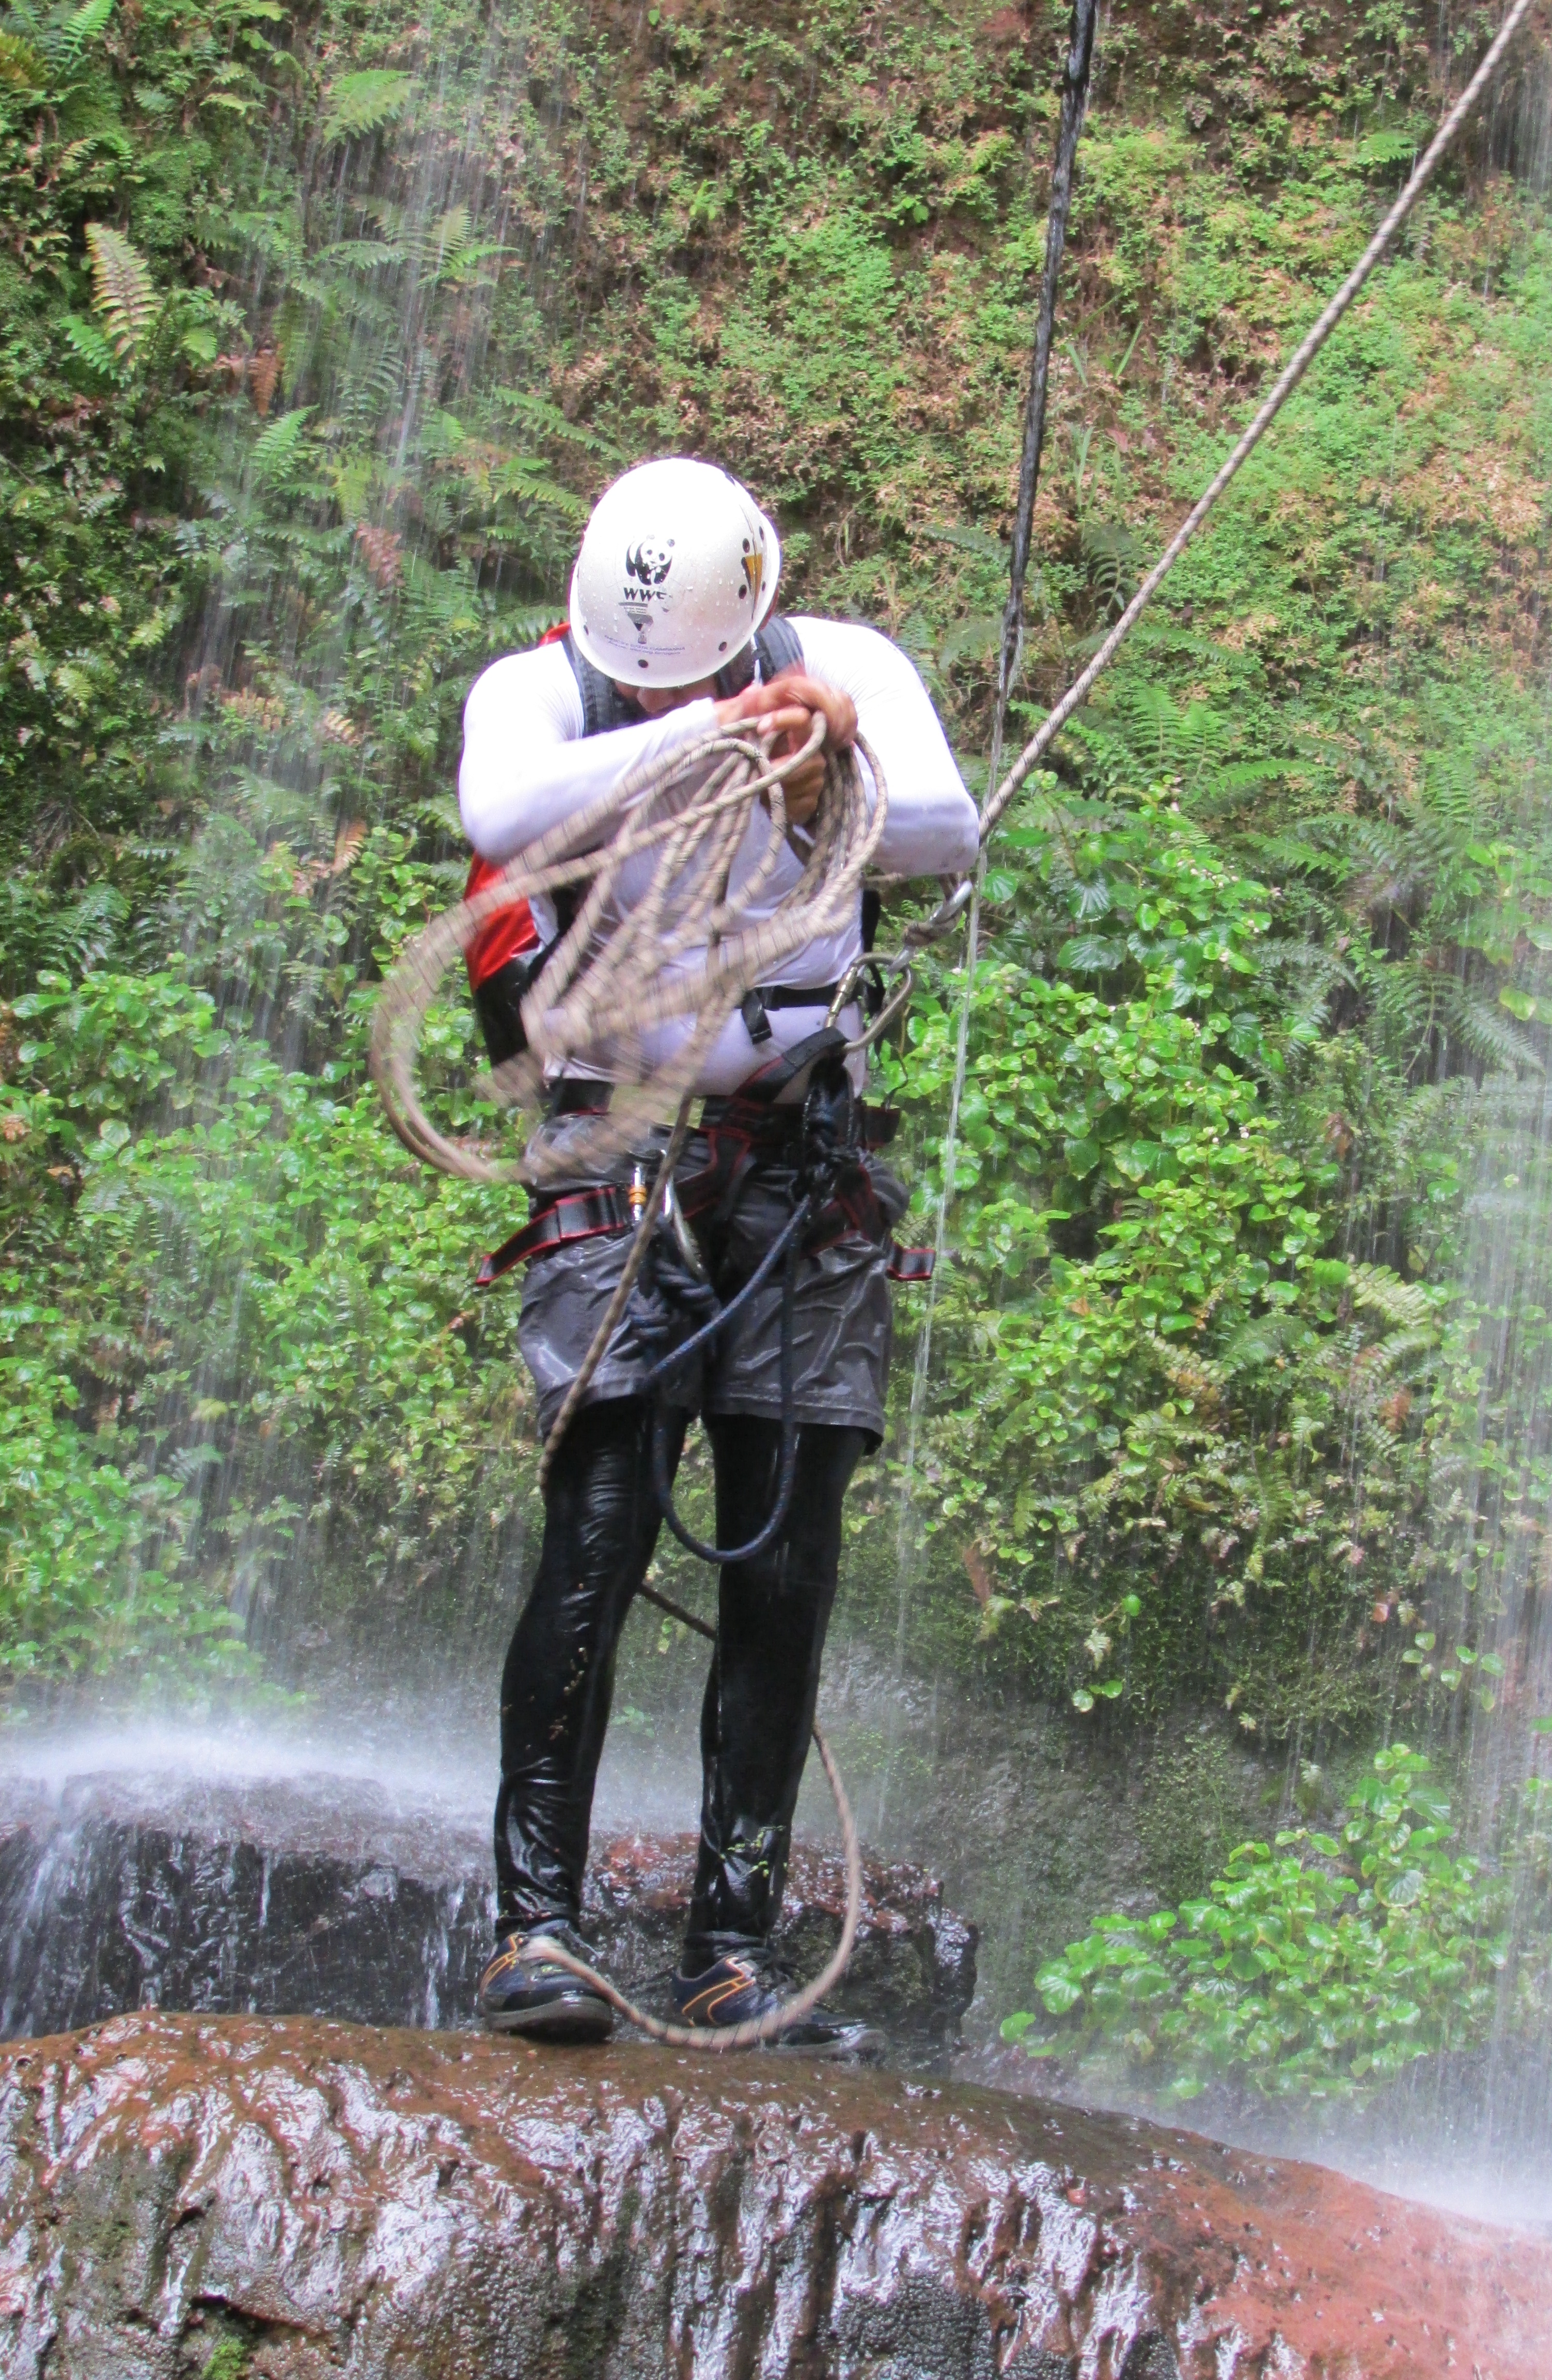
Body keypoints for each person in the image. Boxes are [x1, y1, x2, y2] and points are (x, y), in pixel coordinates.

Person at [459, 457, 978, 2056]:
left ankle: (732, 1945)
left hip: (803, 1152)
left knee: (783, 1549)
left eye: (682, 672)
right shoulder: (536, 693)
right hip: (627, 1138)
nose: (645, 689)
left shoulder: (852, 669)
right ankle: (532, 1926)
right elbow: (501, 813)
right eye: (633, 674)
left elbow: (953, 840)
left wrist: (827, 765)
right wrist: (700, 735)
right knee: (604, 1521)